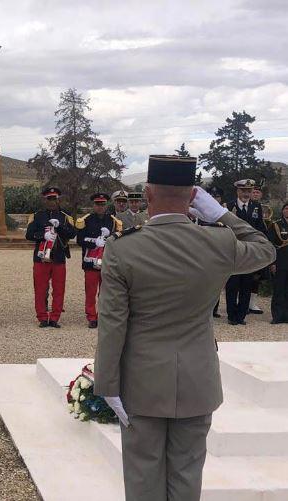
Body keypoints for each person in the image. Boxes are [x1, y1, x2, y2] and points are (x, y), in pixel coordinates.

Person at [93, 155, 276, 501]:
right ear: (194, 198)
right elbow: (265, 249)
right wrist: (221, 214)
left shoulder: (123, 248)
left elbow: (113, 325)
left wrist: (107, 383)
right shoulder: (218, 242)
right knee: (187, 476)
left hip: (141, 380)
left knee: (143, 477)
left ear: (147, 195)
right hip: (197, 378)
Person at [25, 187, 76, 328]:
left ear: (58, 199)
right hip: (41, 257)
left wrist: (60, 227)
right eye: (49, 199)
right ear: (45, 200)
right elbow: (29, 234)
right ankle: (42, 317)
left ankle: (55, 318)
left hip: (59, 256)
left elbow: (72, 234)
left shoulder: (65, 217)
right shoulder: (37, 216)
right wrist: (43, 235)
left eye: (54, 199)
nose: (52, 202)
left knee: (59, 289)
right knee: (40, 289)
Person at [224, 179, 268, 324]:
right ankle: (232, 316)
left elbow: (260, 227)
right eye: (244, 191)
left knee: (246, 285)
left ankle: (241, 316)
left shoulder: (256, 207)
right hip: (234, 251)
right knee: (232, 285)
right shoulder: (229, 206)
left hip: (250, 251)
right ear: (238, 191)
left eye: (249, 191)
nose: (247, 194)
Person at [76, 193, 122, 328]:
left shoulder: (112, 220)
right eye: (97, 204)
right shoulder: (86, 220)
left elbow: (118, 239)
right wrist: (94, 241)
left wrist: (110, 239)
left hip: (107, 261)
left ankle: (103, 315)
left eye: (102, 204)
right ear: (93, 205)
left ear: (106, 205)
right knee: (90, 291)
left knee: (106, 292)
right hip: (90, 261)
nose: (100, 207)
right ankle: (91, 317)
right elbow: (79, 240)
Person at [268, 202, 288, 323]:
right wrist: (272, 263)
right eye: (286, 208)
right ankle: (277, 316)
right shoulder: (276, 225)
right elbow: (271, 245)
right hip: (280, 261)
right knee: (279, 290)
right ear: (282, 211)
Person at [208, 186, 224, 318]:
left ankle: (215, 308)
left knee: (217, 281)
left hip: (219, 249)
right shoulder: (203, 211)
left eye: (217, 196)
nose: (215, 199)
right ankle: (207, 308)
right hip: (206, 248)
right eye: (212, 196)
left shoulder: (224, 212)